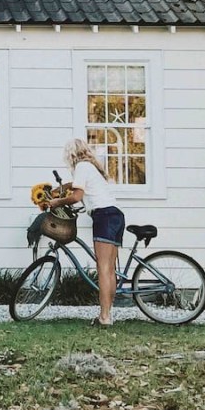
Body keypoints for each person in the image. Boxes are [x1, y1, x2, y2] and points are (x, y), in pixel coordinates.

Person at [45, 138, 125, 327]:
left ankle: (104, 317)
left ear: (71, 155)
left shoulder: (81, 166)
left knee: (103, 269)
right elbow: (76, 186)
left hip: (104, 216)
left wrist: (57, 202)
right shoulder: (91, 167)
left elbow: (77, 196)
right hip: (116, 215)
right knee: (110, 269)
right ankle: (107, 313)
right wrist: (59, 189)